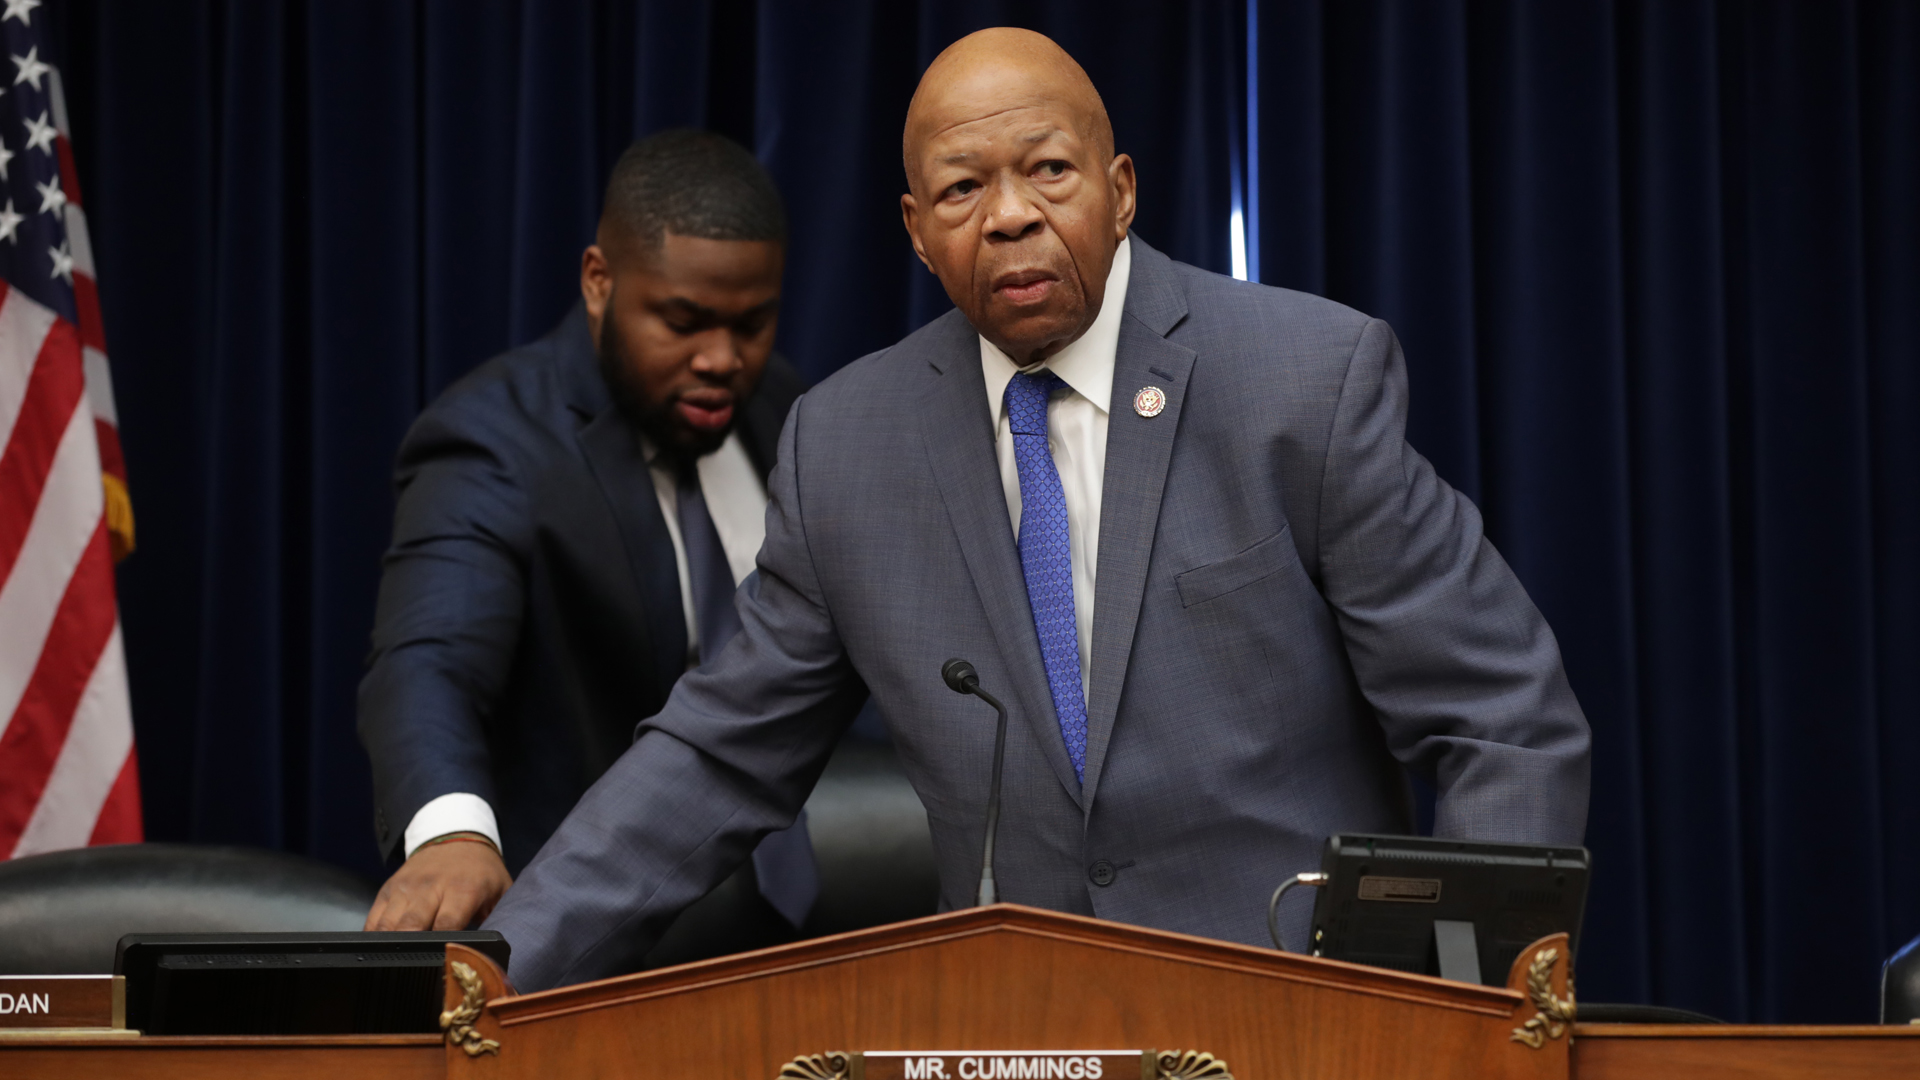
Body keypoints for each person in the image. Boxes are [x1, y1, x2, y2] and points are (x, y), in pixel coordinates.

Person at [482, 28, 1591, 990]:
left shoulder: (1301, 381)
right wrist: (495, 966)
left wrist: (1462, 1017)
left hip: (1292, 1015)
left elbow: (1501, 716)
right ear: (917, 231)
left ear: (1119, 190)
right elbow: (718, 758)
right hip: (1022, 1025)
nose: (1009, 217)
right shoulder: (851, 443)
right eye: (963, 189)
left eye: (1048, 171)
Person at [357, 129, 820, 936]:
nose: (722, 359)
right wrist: (451, 832)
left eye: (752, 324)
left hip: (785, 928)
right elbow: (429, 661)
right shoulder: (495, 440)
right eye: (683, 320)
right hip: (589, 945)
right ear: (600, 282)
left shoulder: (781, 409)